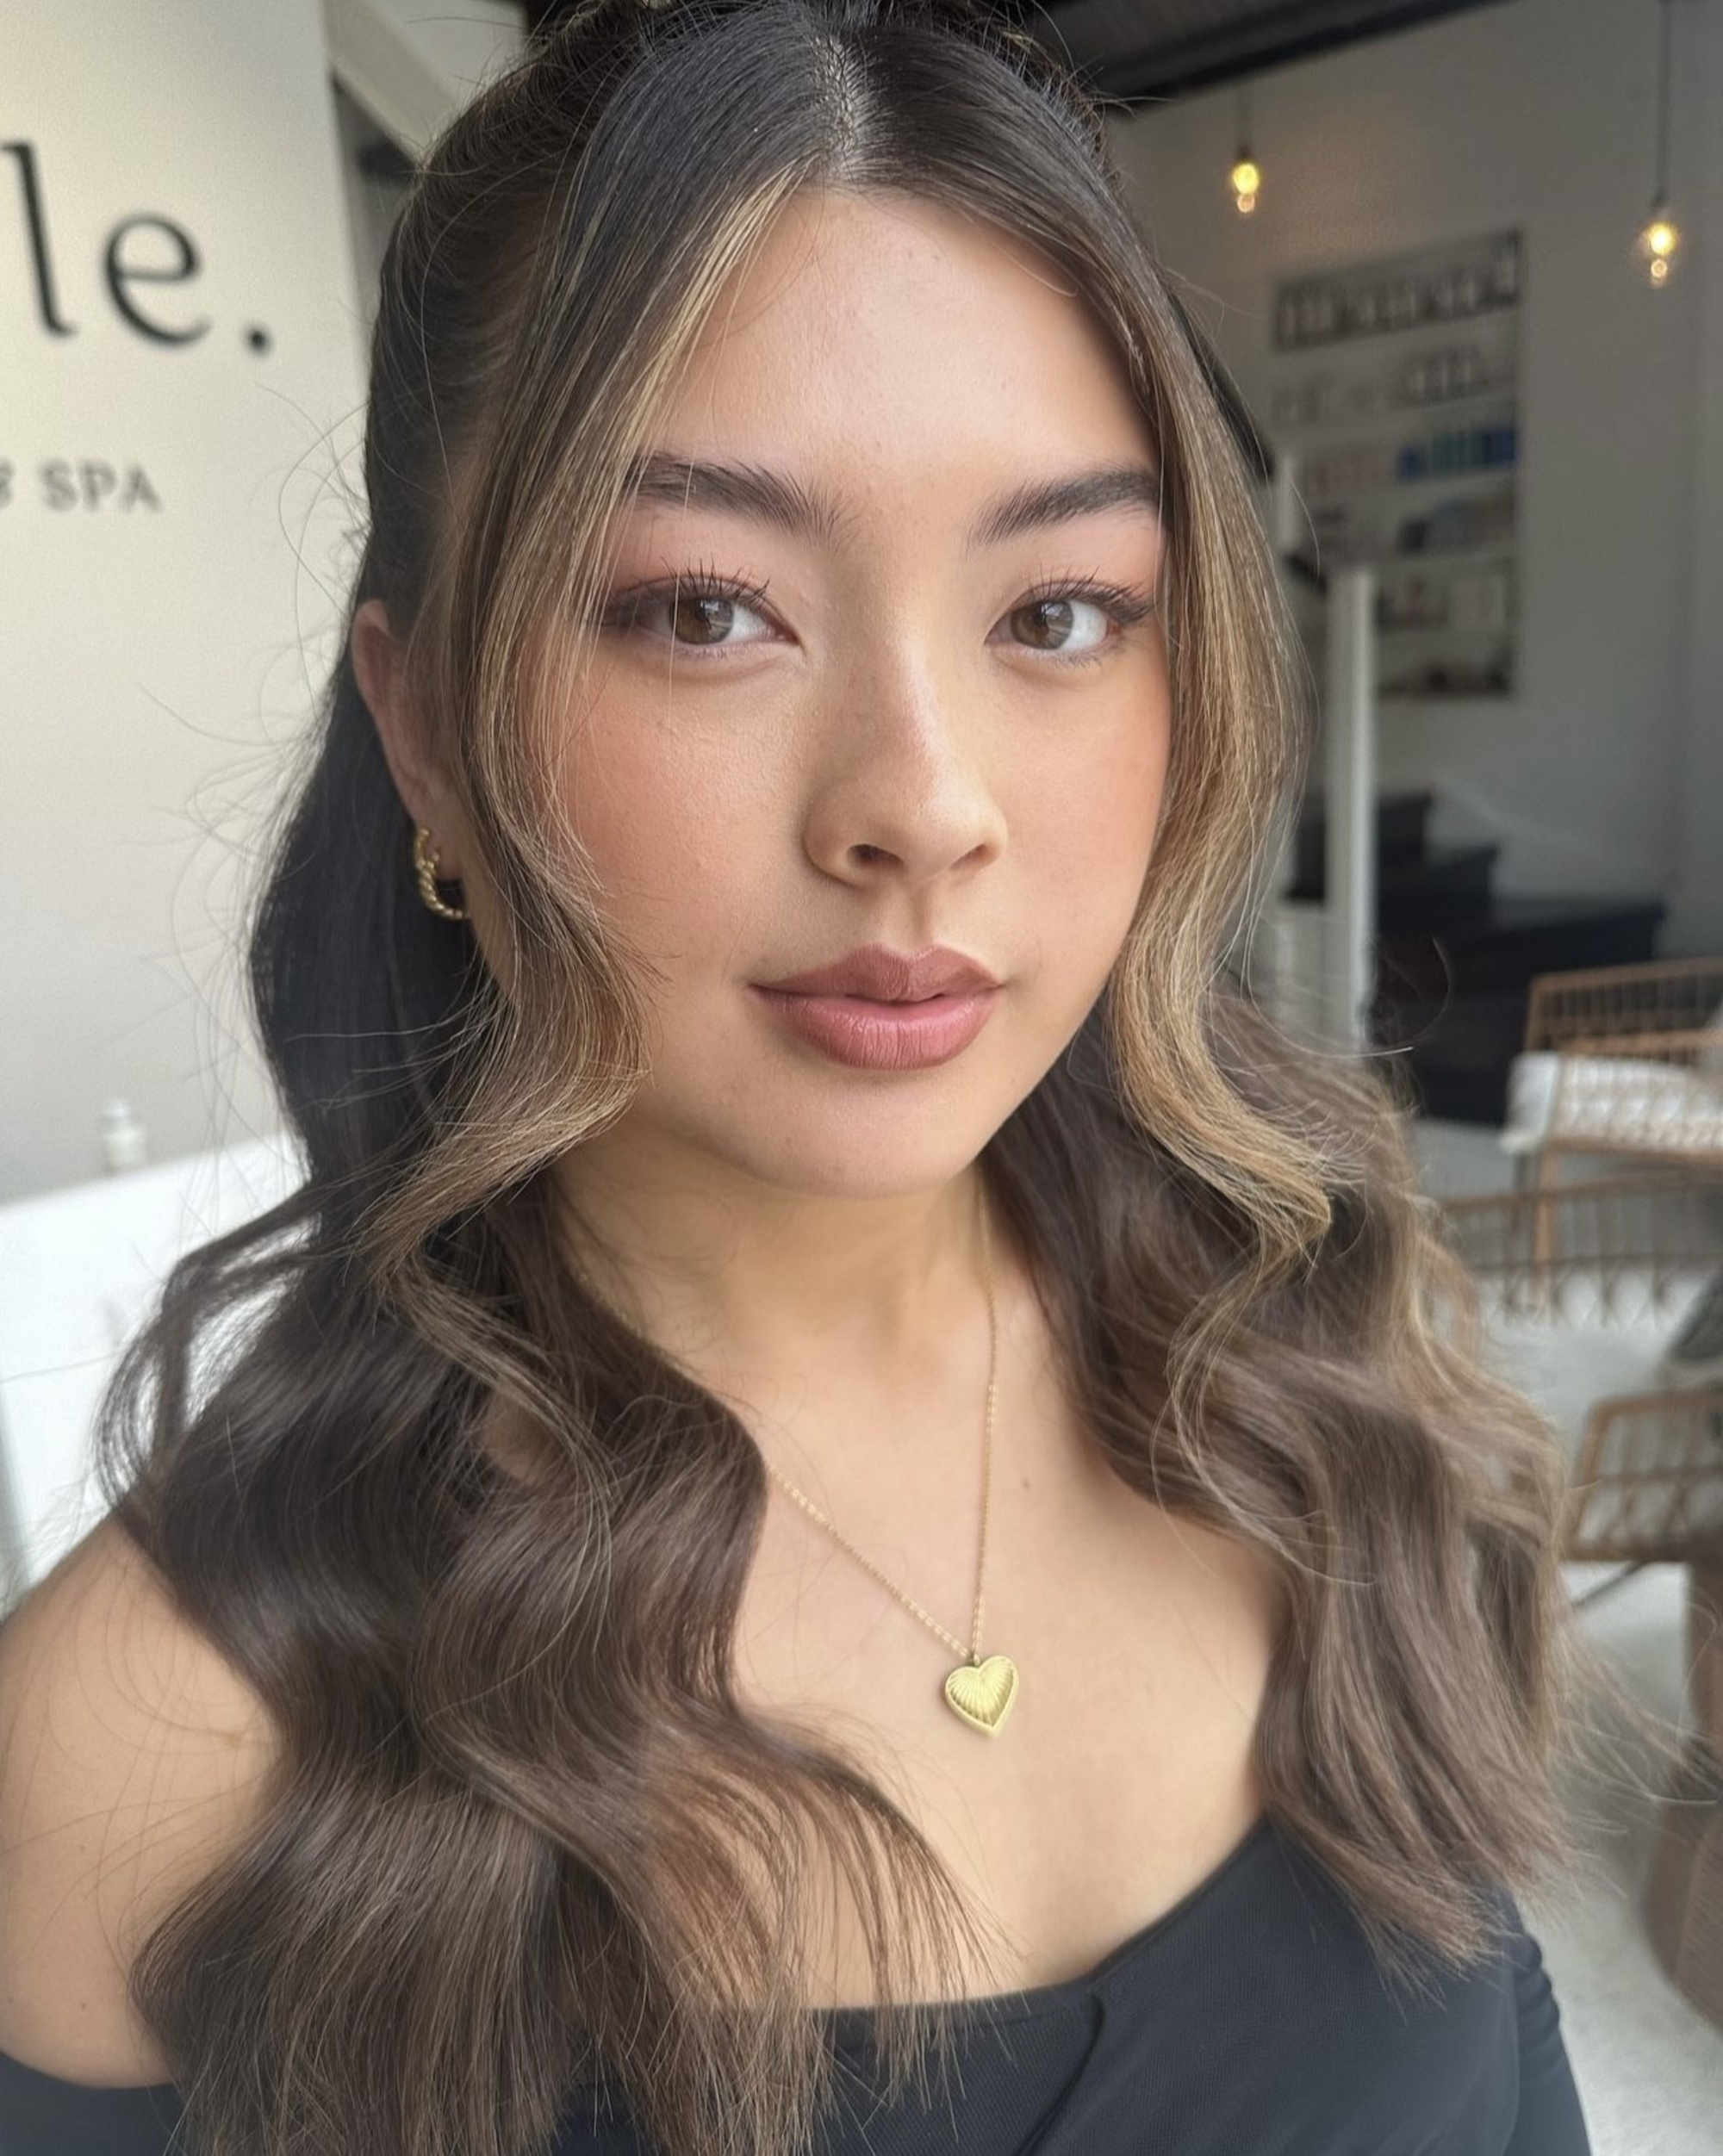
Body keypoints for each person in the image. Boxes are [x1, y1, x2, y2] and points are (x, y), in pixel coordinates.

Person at [0, 2, 1649, 2151]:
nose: (924, 805)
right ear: (421, 735)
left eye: (1059, 610)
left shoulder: (1321, 1388)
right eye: (702, 608)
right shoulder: (160, 1746)